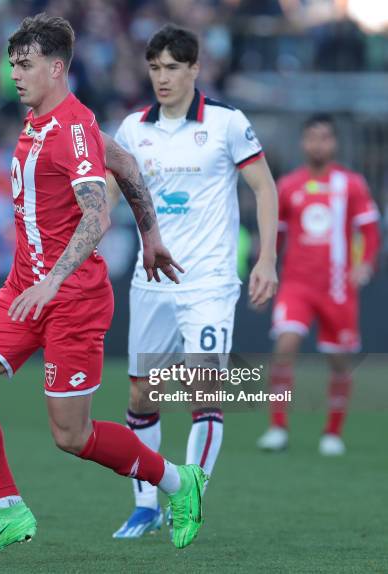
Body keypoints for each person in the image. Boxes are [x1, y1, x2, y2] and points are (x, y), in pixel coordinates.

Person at [0, 14, 207, 559]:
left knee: (71, 436)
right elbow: (125, 161)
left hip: (72, 300)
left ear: (57, 69)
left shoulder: (72, 129)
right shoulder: (43, 118)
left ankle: (179, 482)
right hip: (24, 288)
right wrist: (152, 235)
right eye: (13, 64)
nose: (15, 74)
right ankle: (9, 510)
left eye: (26, 65)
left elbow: (95, 219)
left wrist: (54, 280)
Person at [108, 24, 279, 539]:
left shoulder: (227, 124)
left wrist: (267, 258)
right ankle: (145, 506)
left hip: (208, 282)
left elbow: (264, 187)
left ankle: (191, 495)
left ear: (195, 70)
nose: (163, 78)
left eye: (173, 68)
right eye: (155, 68)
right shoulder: (133, 129)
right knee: (142, 394)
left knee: (203, 387)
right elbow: (110, 198)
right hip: (151, 281)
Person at [257, 113, 380, 456]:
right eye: (312, 138)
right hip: (297, 285)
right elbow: (275, 236)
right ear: (303, 142)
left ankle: (332, 432)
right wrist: (265, 272)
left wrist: (365, 265)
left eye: (324, 138)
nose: (318, 144)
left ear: (334, 143)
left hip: (337, 288)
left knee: (340, 361)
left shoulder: (351, 184)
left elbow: (370, 231)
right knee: (285, 346)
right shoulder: (289, 185)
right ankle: (277, 426)